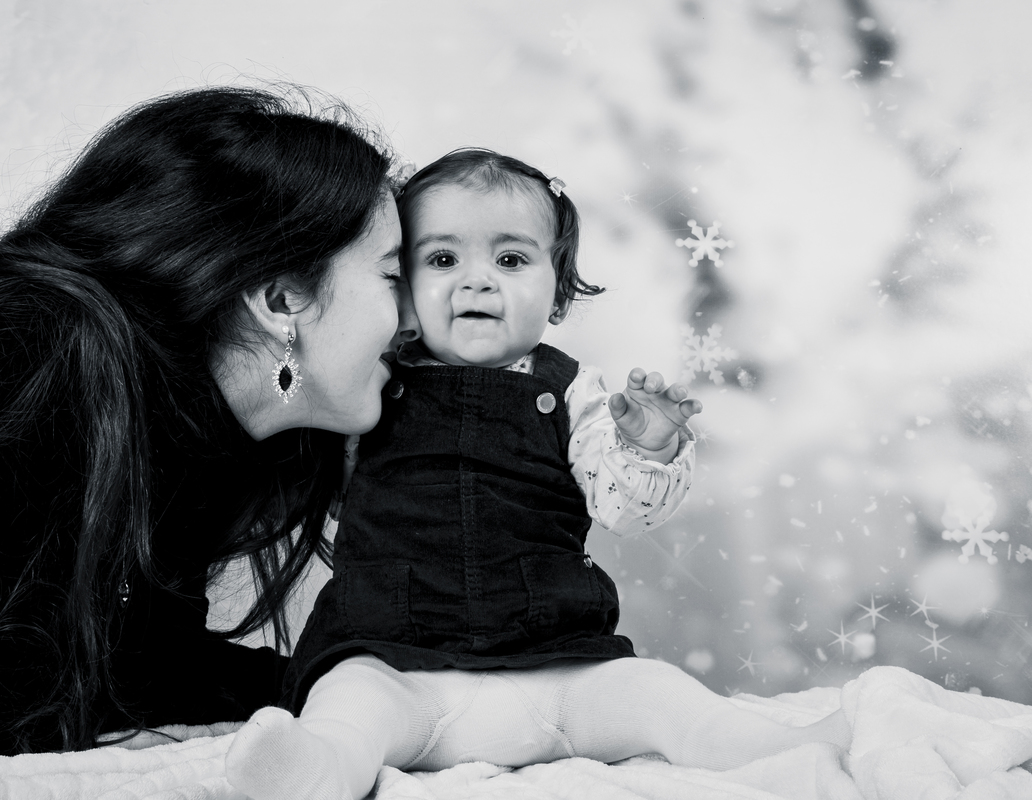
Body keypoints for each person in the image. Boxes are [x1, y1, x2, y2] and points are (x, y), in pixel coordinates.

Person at [223, 149, 851, 800]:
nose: (477, 282)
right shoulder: (370, 385)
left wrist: (648, 451)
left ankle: (766, 748)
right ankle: (318, 768)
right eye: (442, 260)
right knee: (348, 700)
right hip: (398, 665)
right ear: (402, 288)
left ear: (558, 295)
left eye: (511, 259)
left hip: (558, 670)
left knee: (658, 693)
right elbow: (305, 482)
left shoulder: (580, 392)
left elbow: (622, 511)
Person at [0, 85, 419, 760]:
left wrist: (372, 690)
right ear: (282, 298)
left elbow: (143, 669)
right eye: (391, 276)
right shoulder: (38, 348)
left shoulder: (189, 418)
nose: (412, 321)